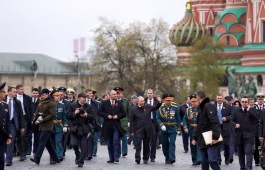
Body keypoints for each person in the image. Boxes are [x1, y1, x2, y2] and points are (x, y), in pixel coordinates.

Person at [192, 90, 221, 170]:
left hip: (210, 138)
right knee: (204, 162)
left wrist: (215, 137)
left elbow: (215, 122)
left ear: (198, 98)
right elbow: (199, 125)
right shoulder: (201, 108)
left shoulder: (208, 106)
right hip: (202, 139)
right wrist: (194, 137)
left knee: (212, 160)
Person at [30, 88, 60, 165]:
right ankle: (56, 158)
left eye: (43, 95)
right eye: (41, 95)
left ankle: (37, 158)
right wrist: (34, 120)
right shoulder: (41, 102)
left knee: (41, 142)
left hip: (48, 126)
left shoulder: (51, 103)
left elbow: (52, 115)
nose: (42, 96)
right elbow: (37, 112)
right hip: (41, 125)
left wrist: (44, 119)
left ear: (47, 94)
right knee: (48, 144)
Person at [130, 96, 161, 164]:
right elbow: (132, 121)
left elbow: (155, 108)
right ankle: (137, 158)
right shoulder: (134, 109)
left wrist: (159, 102)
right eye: (141, 101)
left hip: (147, 129)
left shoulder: (147, 106)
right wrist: (132, 131)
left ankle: (145, 158)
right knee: (138, 145)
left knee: (146, 144)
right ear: (138, 102)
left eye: (143, 101)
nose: (143, 102)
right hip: (138, 129)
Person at [67, 92, 95, 167]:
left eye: (86, 98)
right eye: (83, 98)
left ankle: (80, 161)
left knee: (84, 147)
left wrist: (87, 115)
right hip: (75, 128)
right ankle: (77, 154)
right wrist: (75, 113)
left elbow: (93, 117)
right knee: (74, 144)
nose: (85, 99)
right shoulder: (72, 105)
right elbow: (68, 116)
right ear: (79, 98)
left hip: (84, 128)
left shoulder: (88, 106)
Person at [98, 90, 126, 163]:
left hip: (116, 125)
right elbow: (99, 112)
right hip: (107, 126)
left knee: (116, 141)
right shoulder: (104, 103)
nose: (116, 96)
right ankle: (111, 158)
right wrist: (107, 116)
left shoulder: (119, 103)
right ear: (110, 95)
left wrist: (117, 116)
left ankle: (116, 157)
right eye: (114, 94)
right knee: (109, 143)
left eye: (116, 94)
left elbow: (123, 113)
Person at [232, 96, 258, 170]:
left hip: (249, 136)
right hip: (239, 135)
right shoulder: (236, 110)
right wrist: (235, 124)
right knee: (241, 154)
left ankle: (249, 168)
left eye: (246, 102)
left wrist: (249, 110)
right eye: (243, 102)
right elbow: (231, 121)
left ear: (248, 102)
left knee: (248, 153)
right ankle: (242, 168)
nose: (244, 103)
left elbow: (257, 118)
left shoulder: (252, 110)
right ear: (240, 102)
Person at [156, 93, 181, 164]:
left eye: (170, 100)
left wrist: (179, 129)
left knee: (172, 143)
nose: (169, 102)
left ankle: (172, 158)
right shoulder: (160, 108)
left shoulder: (175, 107)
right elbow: (157, 117)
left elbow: (178, 118)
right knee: (164, 144)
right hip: (164, 128)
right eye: (167, 100)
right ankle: (167, 157)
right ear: (164, 100)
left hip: (172, 128)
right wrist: (161, 125)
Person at [5, 87, 27, 166]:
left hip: (13, 124)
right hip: (3, 125)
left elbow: (21, 115)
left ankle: (8, 160)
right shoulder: (3, 100)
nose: (15, 93)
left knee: (10, 142)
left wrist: (22, 126)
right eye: (14, 92)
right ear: (9, 92)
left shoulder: (17, 102)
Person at [183, 94, 201, 166]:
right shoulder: (188, 110)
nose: (194, 103)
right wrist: (185, 127)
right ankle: (194, 160)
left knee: (199, 144)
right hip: (191, 129)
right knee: (192, 144)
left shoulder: (200, 109)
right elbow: (185, 119)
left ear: (198, 102)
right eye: (192, 101)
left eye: (195, 101)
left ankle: (199, 159)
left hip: (199, 129)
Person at [214, 95, 232, 165]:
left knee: (226, 144)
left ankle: (227, 157)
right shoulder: (213, 107)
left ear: (222, 99)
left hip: (226, 127)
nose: (219, 99)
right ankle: (218, 159)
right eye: (218, 98)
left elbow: (232, 115)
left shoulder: (227, 106)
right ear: (216, 99)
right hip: (217, 128)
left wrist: (226, 118)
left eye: (220, 98)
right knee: (218, 144)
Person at [50, 90, 68, 161]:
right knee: (52, 142)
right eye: (56, 96)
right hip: (51, 125)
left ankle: (59, 155)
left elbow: (64, 116)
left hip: (59, 126)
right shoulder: (50, 105)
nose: (58, 97)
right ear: (53, 97)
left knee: (58, 141)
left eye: (59, 96)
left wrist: (65, 125)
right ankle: (53, 155)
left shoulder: (62, 105)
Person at [16, 84, 33, 156]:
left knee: (23, 135)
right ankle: (17, 150)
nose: (22, 90)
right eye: (21, 89)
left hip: (24, 118)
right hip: (16, 118)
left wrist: (31, 118)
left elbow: (30, 109)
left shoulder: (27, 98)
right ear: (17, 90)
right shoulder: (13, 97)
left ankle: (23, 152)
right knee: (16, 135)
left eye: (23, 89)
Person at [114, 87, 131, 157]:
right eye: (117, 93)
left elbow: (129, 111)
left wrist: (129, 121)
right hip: (116, 121)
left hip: (124, 121)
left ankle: (124, 151)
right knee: (117, 138)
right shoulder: (112, 102)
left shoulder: (125, 101)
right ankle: (118, 152)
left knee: (124, 137)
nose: (118, 95)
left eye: (119, 93)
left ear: (121, 94)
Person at [145, 89, 160, 162]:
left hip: (154, 122)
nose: (150, 94)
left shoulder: (157, 102)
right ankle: (146, 156)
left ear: (153, 94)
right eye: (148, 93)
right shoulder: (144, 101)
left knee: (153, 141)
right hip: (146, 122)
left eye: (151, 93)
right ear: (146, 94)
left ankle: (152, 156)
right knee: (146, 140)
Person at [0, 82, 12, 170]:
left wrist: (9, 135)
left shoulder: (5, 105)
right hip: (2, 134)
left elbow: (7, 121)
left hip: (3, 136)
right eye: (3, 92)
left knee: (1, 158)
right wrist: (6, 134)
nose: (5, 94)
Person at [254, 93, 265, 166]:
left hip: (263, 130)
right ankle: (257, 160)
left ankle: (262, 161)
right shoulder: (253, 108)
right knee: (256, 147)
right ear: (257, 100)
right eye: (259, 99)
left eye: (261, 99)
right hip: (255, 130)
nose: (260, 101)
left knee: (263, 147)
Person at [31, 88, 41, 157]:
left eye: (36, 93)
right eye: (34, 93)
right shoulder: (28, 101)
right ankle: (28, 150)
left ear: (38, 94)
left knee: (37, 138)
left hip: (37, 122)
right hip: (29, 121)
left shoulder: (40, 102)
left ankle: (35, 151)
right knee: (28, 137)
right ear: (32, 93)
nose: (35, 94)